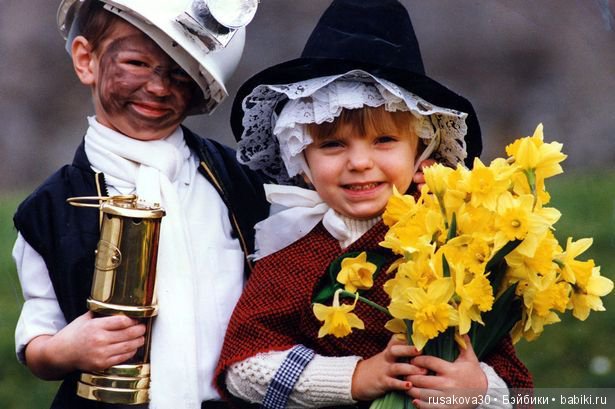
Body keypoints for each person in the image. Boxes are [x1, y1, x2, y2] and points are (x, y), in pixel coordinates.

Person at [215, 1, 533, 408]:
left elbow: (517, 387)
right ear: (302, 163)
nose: (360, 162)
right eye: (333, 145)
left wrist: (479, 390)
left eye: (384, 141)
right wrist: (352, 378)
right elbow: (242, 368)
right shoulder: (294, 253)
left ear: (422, 153)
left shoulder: (456, 246)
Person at [12, 1, 268, 408]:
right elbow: (37, 341)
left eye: (181, 73)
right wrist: (68, 348)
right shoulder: (49, 209)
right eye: (136, 63)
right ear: (86, 60)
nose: (159, 88)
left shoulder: (237, 180)